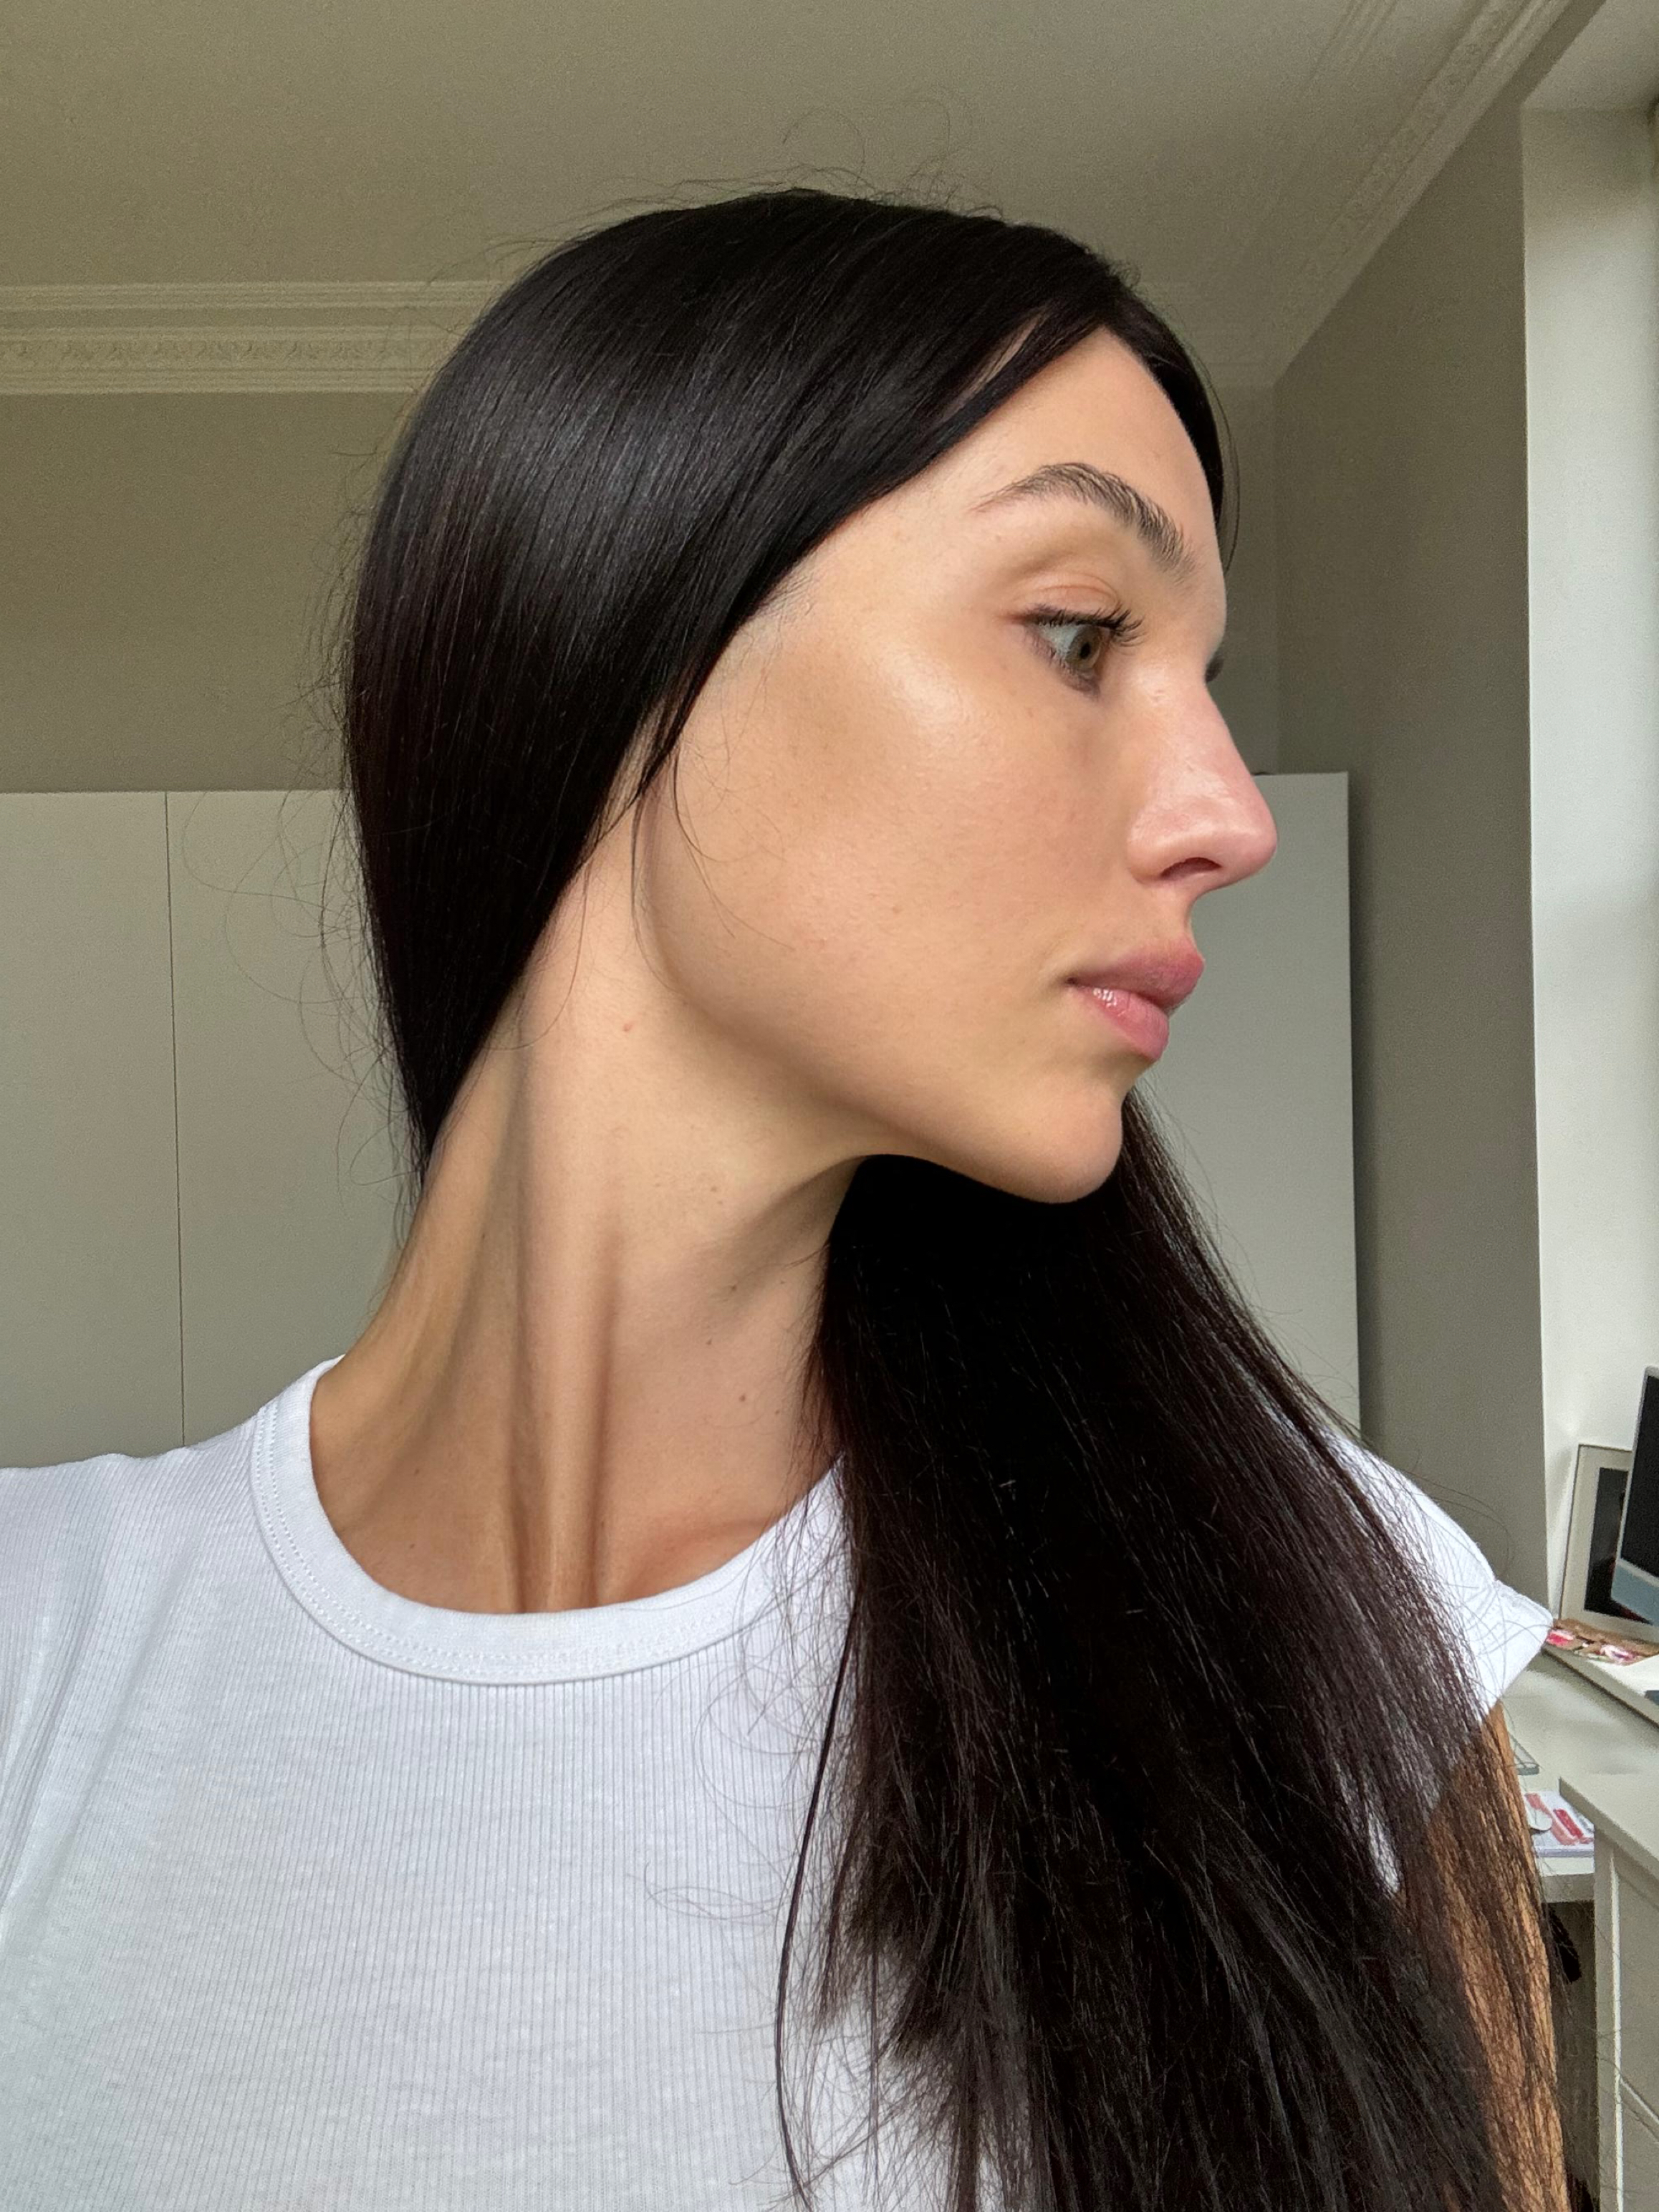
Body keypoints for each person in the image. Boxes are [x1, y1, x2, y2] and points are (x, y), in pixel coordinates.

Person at [0, 186, 1567, 2211]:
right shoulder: (41, 1652)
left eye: (1199, 674)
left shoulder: (1320, 1633)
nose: (1225, 815)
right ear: (622, 643)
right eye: (1079, 634)